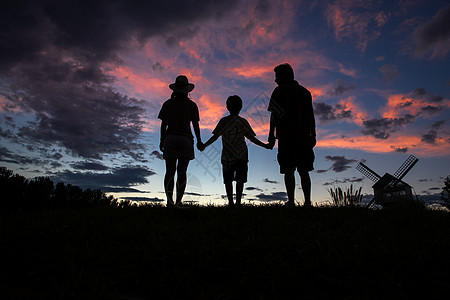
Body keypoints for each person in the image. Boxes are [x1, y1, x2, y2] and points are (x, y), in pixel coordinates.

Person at [199, 95, 270, 206]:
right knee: (239, 180)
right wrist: (264, 146)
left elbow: (215, 136)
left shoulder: (224, 121)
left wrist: (204, 145)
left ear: (227, 107)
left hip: (228, 156)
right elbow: (252, 138)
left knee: (228, 180)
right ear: (240, 107)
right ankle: (237, 203)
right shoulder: (242, 121)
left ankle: (232, 203)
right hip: (240, 155)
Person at [267, 63, 316, 207]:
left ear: (284, 76)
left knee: (289, 169)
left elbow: (274, 115)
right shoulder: (305, 92)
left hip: (287, 136)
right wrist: (313, 135)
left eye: (277, 76)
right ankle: (307, 202)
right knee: (304, 170)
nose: (275, 80)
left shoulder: (279, 91)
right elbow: (311, 116)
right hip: (303, 136)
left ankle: (292, 201)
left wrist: (271, 134)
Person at [158, 75, 203, 207]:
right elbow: (195, 125)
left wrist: (162, 140)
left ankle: (169, 201)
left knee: (170, 171)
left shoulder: (168, 104)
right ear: (187, 90)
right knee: (181, 172)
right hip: (185, 140)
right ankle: (178, 201)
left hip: (170, 139)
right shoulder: (192, 105)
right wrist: (199, 140)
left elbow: (163, 125)